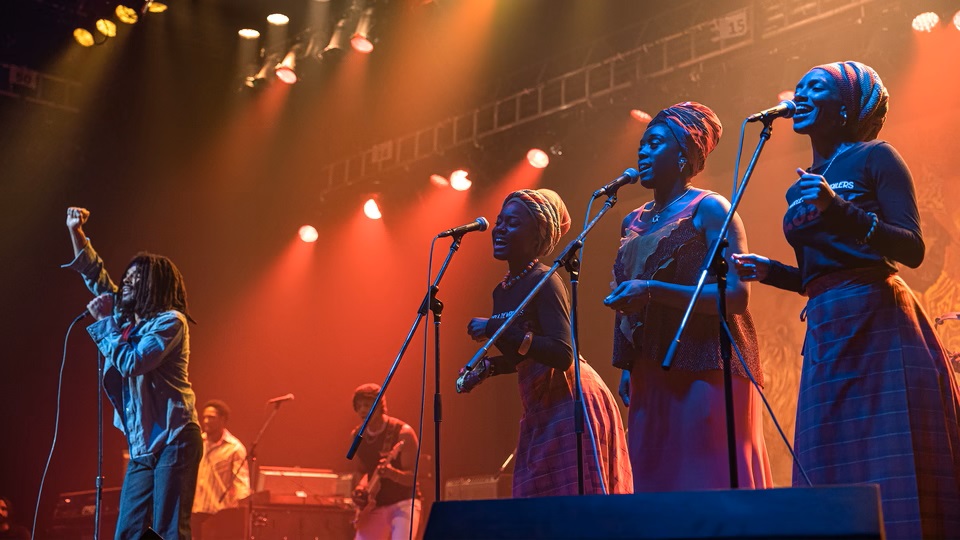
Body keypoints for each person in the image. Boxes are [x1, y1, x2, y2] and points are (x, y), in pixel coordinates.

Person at [731, 61, 960, 538]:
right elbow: (823, 274)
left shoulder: (877, 157)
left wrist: (840, 209)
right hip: (827, 328)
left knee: (892, 456)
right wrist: (772, 271)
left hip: (880, 321)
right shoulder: (802, 182)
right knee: (828, 453)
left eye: (816, 88)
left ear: (846, 107)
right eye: (800, 87)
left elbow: (912, 250)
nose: (801, 94)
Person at [604, 101, 772, 491]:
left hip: (706, 361)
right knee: (654, 481)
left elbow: (735, 296)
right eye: (642, 144)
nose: (643, 152)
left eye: (655, 143)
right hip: (650, 365)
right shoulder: (632, 220)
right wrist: (628, 365)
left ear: (684, 154)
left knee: (705, 479)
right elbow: (631, 299)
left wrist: (651, 291)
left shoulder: (710, 209)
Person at [462, 188, 633, 496]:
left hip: (571, 398)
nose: (499, 229)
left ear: (538, 234)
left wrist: (494, 327)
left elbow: (561, 353)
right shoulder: (502, 291)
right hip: (541, 402)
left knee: (572, 501)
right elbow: (523, 357)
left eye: (512, 223)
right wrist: (488, 367)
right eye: (499, 221)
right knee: (536, 499)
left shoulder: (546, 280)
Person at [63, 207, 202, 540]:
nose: (125, 284)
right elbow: (95, 275)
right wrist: (75, 231)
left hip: (175, 438)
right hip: (142, 447)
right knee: (128, 532)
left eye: (135, 281)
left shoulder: (171, 322)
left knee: (170, 531)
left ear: (152, 287)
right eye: (125, 278)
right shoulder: (127, 320)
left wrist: (104, 325)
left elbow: (132, 362)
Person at [350, 384, 421, 540]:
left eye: (367, 405)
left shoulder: (403, 433)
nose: (362, 410)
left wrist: (392, 474)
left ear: (380, 406)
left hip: (403, 502)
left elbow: (414, 477)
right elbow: (360, 471)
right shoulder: (357, 436)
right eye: (359, 406)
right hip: (375, 505)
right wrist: (360, 488)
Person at [191, 400, 250, 539]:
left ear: (223, 419)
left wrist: (235, 515)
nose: (206, 421)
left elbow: (241, 484)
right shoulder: (197, 442)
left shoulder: (234, 448)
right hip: (194, 511)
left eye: (211, 417)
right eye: (204, 417)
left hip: (217, 516)